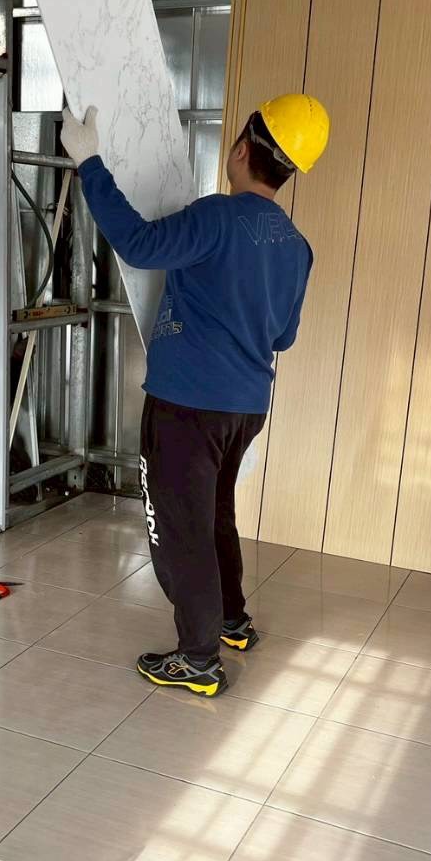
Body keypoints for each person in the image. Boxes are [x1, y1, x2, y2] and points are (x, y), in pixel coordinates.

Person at [61, 94, 329, 698]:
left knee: (181, 530)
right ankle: (231, 620)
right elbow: (282, 338)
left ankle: (199, 657)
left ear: (241, 150)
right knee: (213, 514)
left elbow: (138, 244)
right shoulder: (297, 246)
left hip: (186, 404)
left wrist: (90, 164)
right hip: (245, 407)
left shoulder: (215, 218)